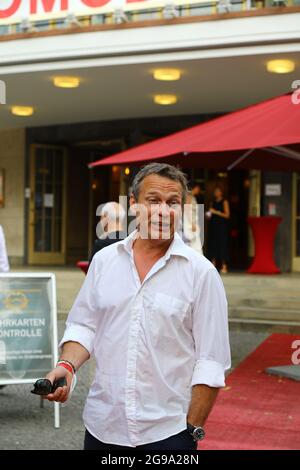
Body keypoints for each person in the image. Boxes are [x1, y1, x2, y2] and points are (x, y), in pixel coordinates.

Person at [43, 163, 231, 450]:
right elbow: (84, 325)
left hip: (168, 434)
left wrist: (192, 430)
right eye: (153, 200)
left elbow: (211, 360)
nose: (163, 211)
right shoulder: (104, 262)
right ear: (133, 205)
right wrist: (67, 366)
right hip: (102, 428)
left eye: (173, 203)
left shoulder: (201, 274)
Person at [207, 186, 230, 274]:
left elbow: (227, 215)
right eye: (215, 191)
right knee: (213, 244)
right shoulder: (212, 202)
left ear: (221, 193)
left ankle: (224, 266)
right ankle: (213, 264)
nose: (215, 193)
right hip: (213, 226)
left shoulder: (224, 201)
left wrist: (216, 212)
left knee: (222, 245)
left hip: (222, 227)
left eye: (217, 191)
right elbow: (210, 213)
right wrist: (208, 214)